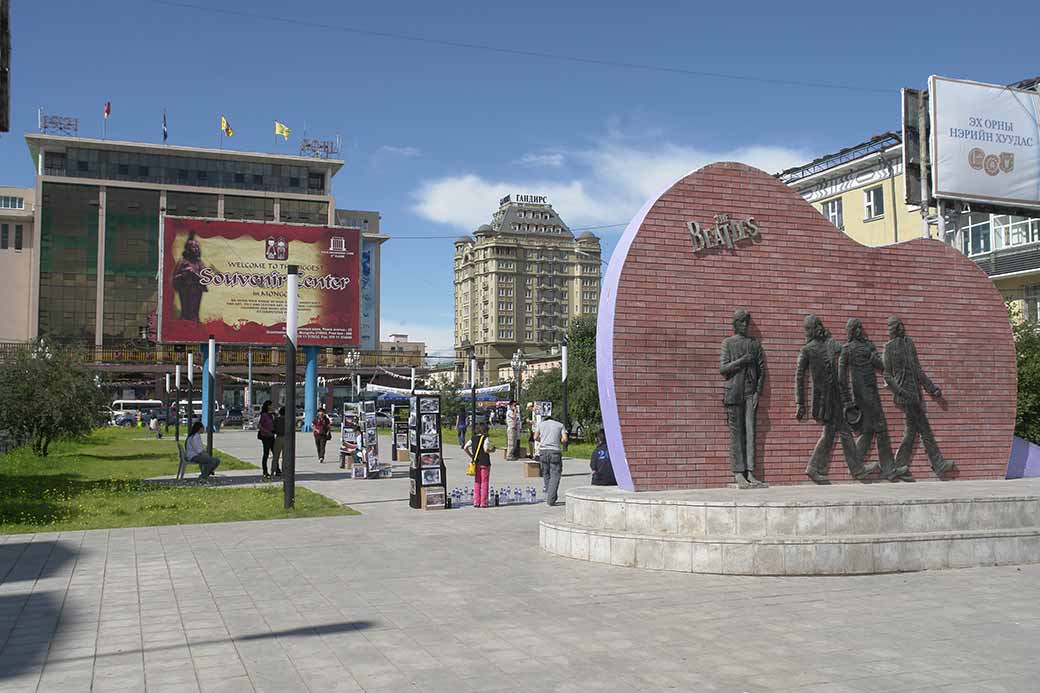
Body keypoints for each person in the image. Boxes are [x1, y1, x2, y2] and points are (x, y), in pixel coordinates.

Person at [796, 314, 877, 483]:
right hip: (824, 401)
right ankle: (821, 468)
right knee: (836, 433)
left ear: (818, 328)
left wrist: (862, 346)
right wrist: (800, 403)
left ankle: (852, 469)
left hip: (837, 398)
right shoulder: (807, 350)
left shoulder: (831, 344)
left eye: (809, 328)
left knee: (840, 432)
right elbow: (799, 377)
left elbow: (846, 351)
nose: (807, 332)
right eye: (806, 329)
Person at [883, 316, 956, 478]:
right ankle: (937, 464)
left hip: (914, 393)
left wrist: (931, 388)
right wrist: (899, 390)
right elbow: (887, 374)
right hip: (904, 394)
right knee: (924, 429)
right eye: (899, 326)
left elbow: (917, 369)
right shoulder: (889, 347)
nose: (902, 328)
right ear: (894, 328)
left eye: (902, 325)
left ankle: (898, 466)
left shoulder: (909, 343)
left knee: (912, 431)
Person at [840, 318, 909, 481]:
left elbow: (882, 365)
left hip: (871, 394)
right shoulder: (847, 349)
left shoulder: (867, 346)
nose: (860, 331)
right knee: (880, 428)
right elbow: (841, 378)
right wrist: (847, 401)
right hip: (862, 397)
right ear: (852, 331)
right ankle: (888, 470)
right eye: (857, 328)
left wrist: (873, 358)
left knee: (869, 430)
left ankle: (857, 466)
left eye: (861, 328)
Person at [719, 308, 766, 488]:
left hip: (750, 394)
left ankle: (751, 472)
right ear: (735, 324)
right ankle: (739, 473)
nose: (745, 325)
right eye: (741, 322)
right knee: (737, 433)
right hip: (734, 393)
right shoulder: (728, 343)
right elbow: (723, 369)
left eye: (746, 322)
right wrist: (742, 361)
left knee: (750, 433)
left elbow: (761, 370)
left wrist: (757, 392)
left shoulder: (754, 344)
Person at [535, 408, 568, 506]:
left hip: (543, 451)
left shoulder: (540, 424)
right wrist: (558, 440)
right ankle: (551, 499)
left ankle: (551, 494)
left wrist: (543, 440)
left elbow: (535, 437)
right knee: (555, 475)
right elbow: (565, 439)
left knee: (546, 473)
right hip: (555, 452)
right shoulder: (560, 425)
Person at [464, 423, 496, 507]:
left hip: (476, 462)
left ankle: (476, 502)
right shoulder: (485, 438)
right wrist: (492, 450)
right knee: (484, 482)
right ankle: (483, 502)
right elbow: (485, 449)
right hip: (485, 462)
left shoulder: (473, 438)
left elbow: (465, 447)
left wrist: (471, 455)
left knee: (477, 481)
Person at [258, 400, 275, 479]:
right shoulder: (264, 415)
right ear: (268, 406)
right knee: (266, 453)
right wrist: (267, 432)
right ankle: (265, 471)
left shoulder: (270, 415)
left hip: (271, 435)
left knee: (275, 453)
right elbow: (260, 426)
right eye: (271, 405)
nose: (272, 406)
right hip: (265, 436)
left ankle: (276, 469)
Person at [271, 406, 287, 477]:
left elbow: (273, 428)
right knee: (285, 456)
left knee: (276, 456)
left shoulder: (276, 419)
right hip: (286, 438)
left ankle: (273, 470)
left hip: (278, 437)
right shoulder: (287, 420)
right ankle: (284, 471)